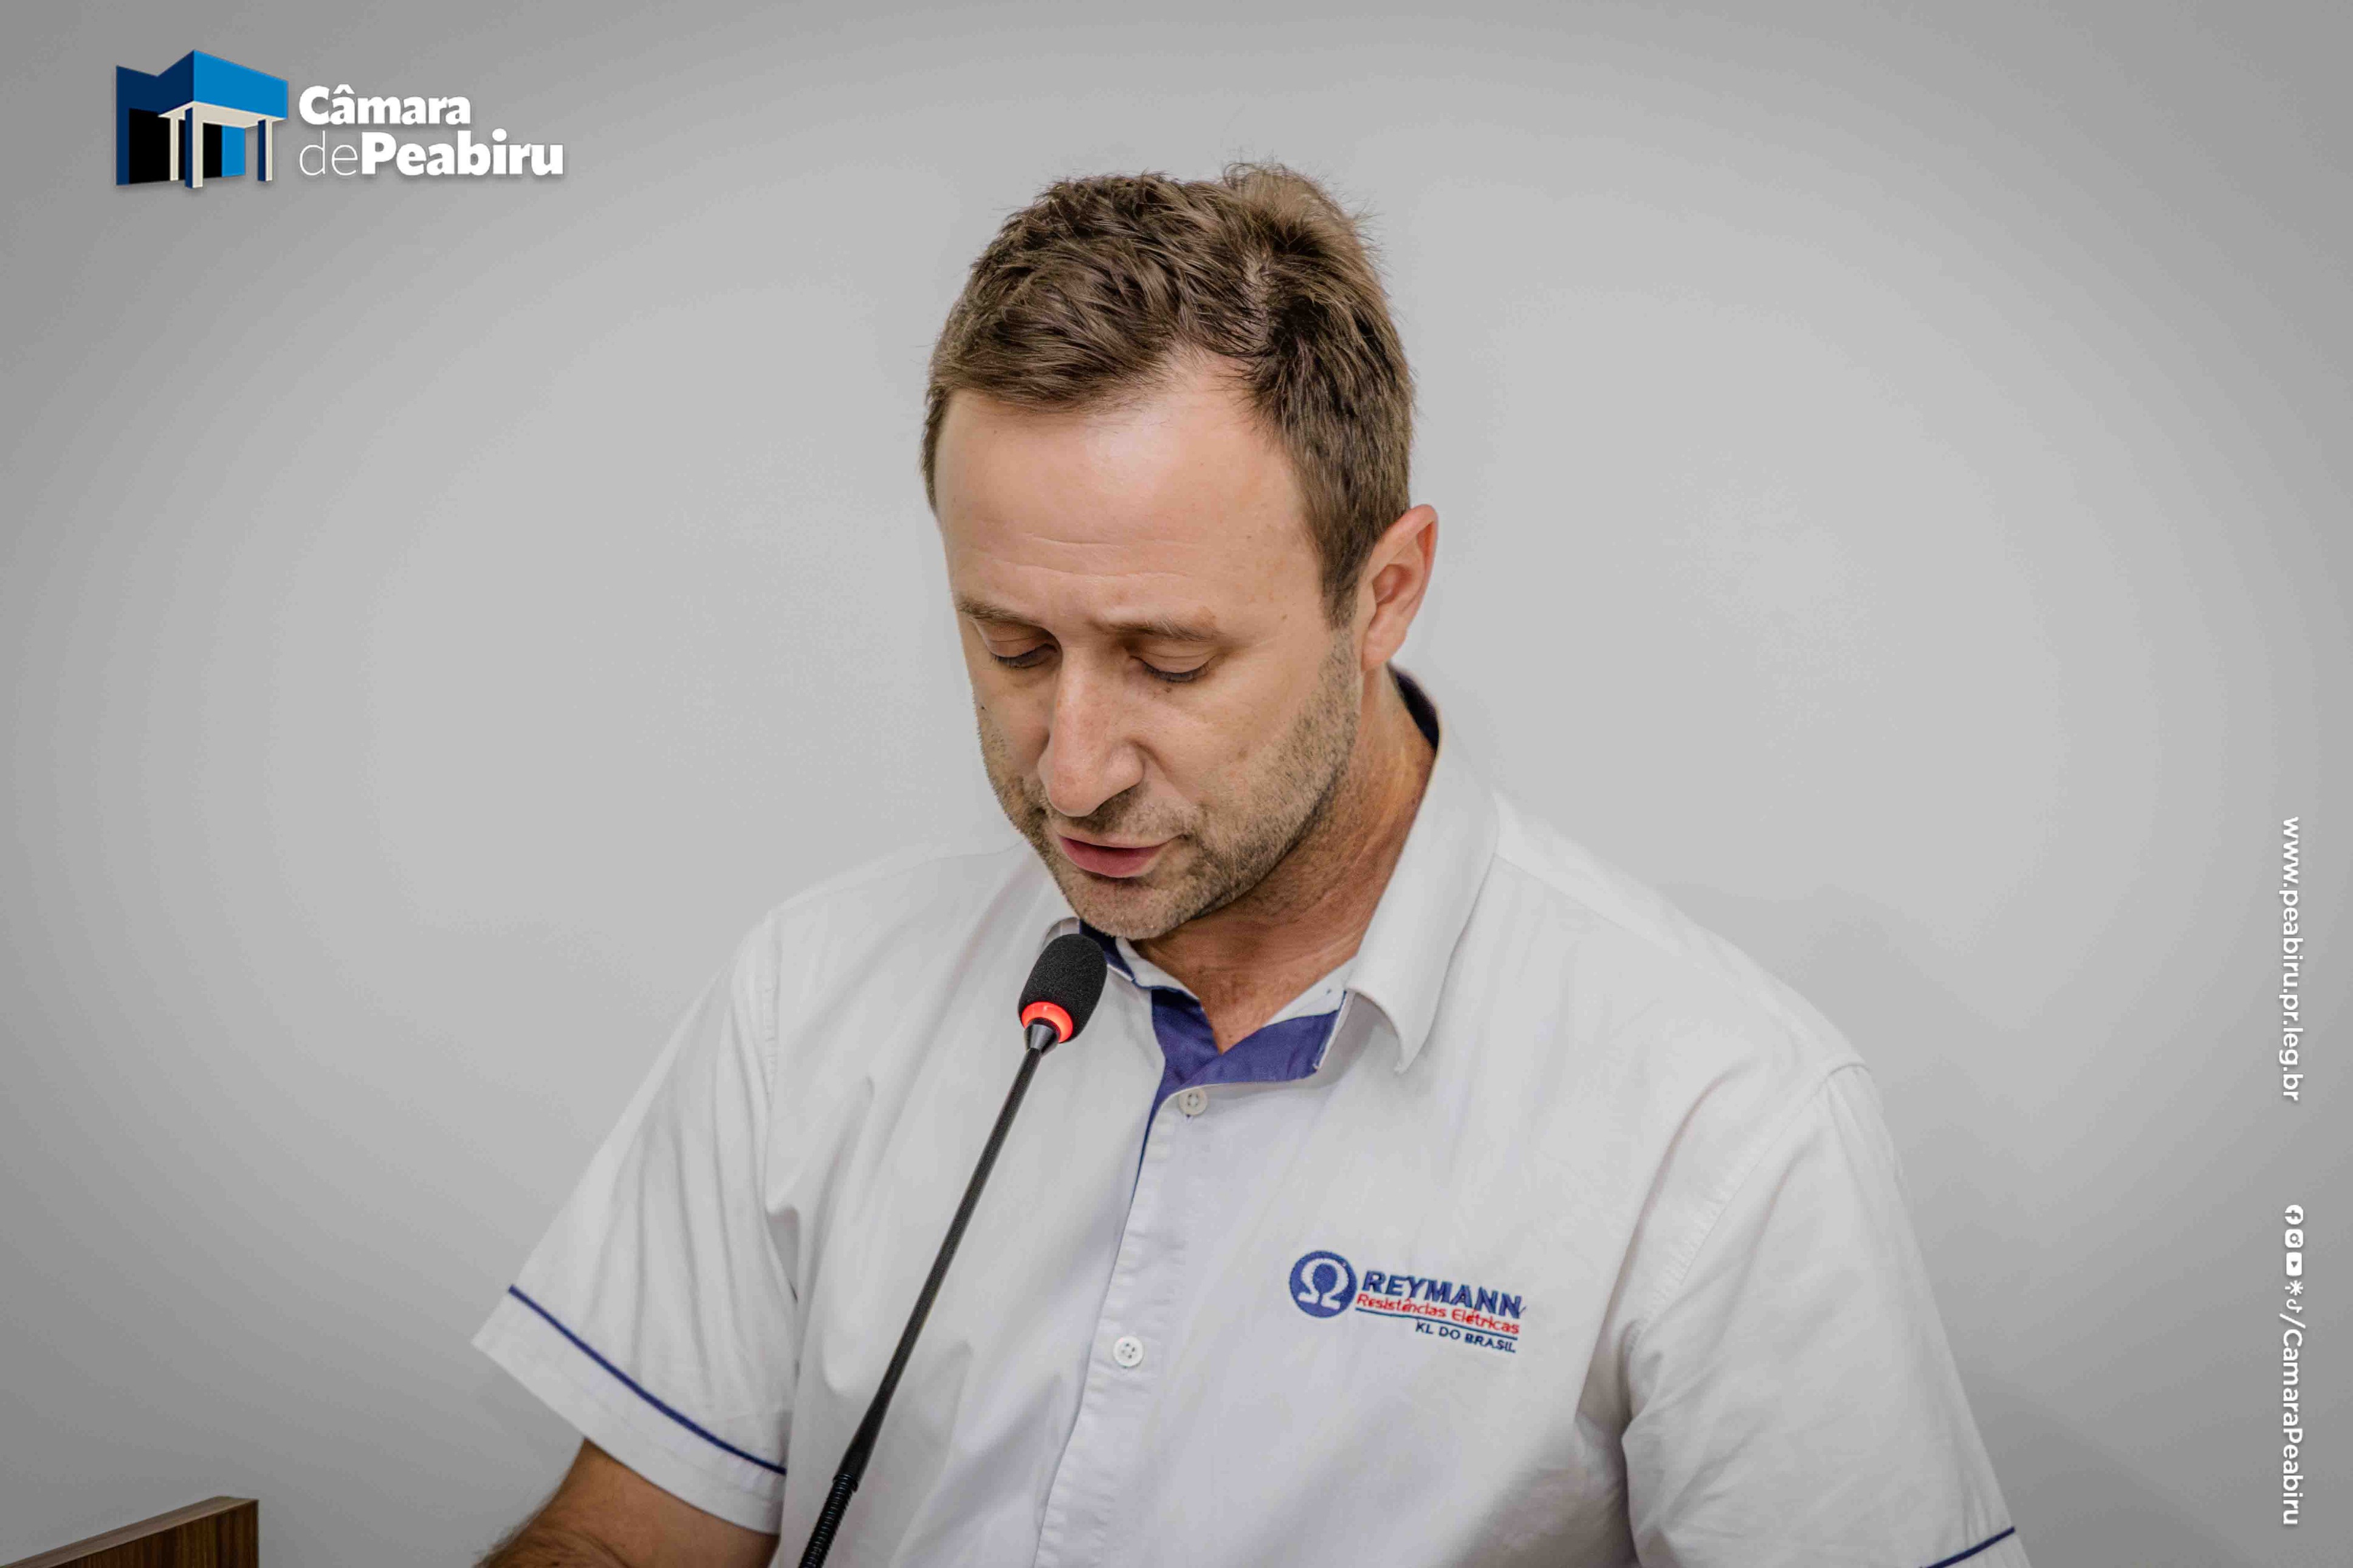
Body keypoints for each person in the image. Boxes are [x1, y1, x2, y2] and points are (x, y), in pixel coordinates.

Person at [473, 164, 2027, 1568]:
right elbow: (623, 1542)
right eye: (1012, 647)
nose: (1071, 770)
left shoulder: (1724, 1118)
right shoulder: (808, 995)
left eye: (1169, 660)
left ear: (1384, 591)